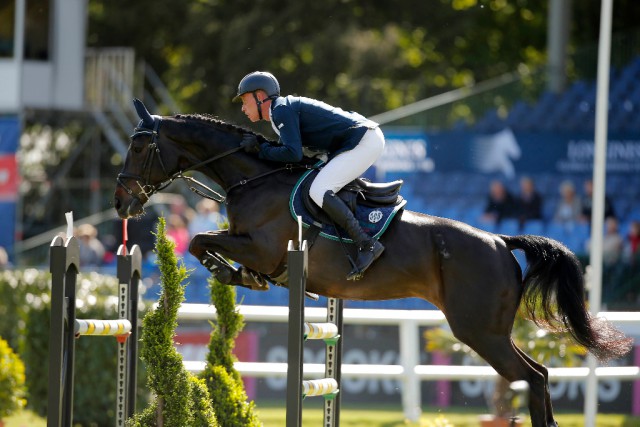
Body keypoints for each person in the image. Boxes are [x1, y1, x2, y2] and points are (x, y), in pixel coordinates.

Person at [234, 71, 385, 280]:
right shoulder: (280, 112)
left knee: (319, 190)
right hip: (355, 141)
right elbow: (291, 151)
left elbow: (293, 154)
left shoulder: (281, 110)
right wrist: (264, 147)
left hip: (362, 141)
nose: (242, 107)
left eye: (244, 100)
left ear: (260, 96)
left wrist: (260, 150)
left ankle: (367, 244)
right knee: (313, 183)